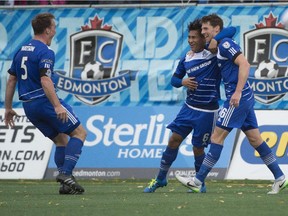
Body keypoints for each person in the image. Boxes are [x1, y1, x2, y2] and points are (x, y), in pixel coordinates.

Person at [176, 13, 288, 194]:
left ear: (216, 29)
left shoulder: (225, 44)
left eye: (206, 29)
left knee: (216, 137)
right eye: (202, 29)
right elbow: (222, 37)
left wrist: (236, 92)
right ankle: (280, 177)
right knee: (255, 139)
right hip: (244, 97)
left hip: (237, 99)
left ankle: (198, 180)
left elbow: (245, 64)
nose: (203, 32)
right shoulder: (219, 45)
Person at [143, 19, 236, 193]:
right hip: (188, 108)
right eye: (189, 37)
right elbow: (174, 80)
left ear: (203, 38)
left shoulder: (213, 53)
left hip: (207, 111)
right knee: (173, 140)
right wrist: (183, 81)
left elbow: (232, 29)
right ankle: (161, 178)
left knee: (197, 147)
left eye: (195, 37)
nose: (191, 40)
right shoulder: (187, 57)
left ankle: (200, 183)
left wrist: (214, 39)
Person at [4, 13, 87, 195]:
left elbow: (11, 79)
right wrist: (57, 106)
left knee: (60, 140)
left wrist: (8, 108)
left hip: (29, 107)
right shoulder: (45, 52)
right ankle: (65, 174)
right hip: (44, 101)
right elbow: (45, 80)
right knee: (80, 133)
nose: (55, 31)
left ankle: (65, 185)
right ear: (48, 29)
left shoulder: (21, 50)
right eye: (54, 27)